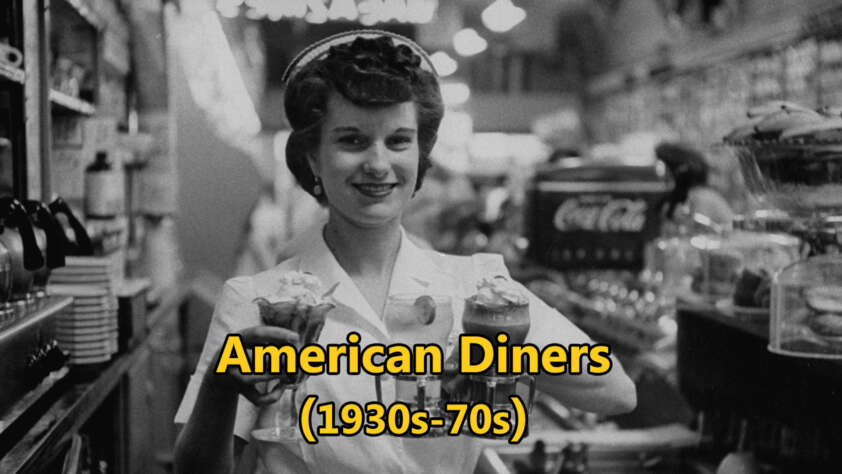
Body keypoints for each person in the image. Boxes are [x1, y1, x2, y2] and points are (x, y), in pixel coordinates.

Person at [173, 31, 636, 474]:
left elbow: (617, 392)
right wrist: (220, 386)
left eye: (398, 140)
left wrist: (501, 356)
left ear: (420, 156)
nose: (378, 164)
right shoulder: (258, 302)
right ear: (313, 157)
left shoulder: (478, 289)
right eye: (352, 140)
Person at [655, 141, 734, 227]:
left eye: (664, 167)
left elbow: (696, 232)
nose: (660, 172)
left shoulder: (701, 198)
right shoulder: (677, 200)